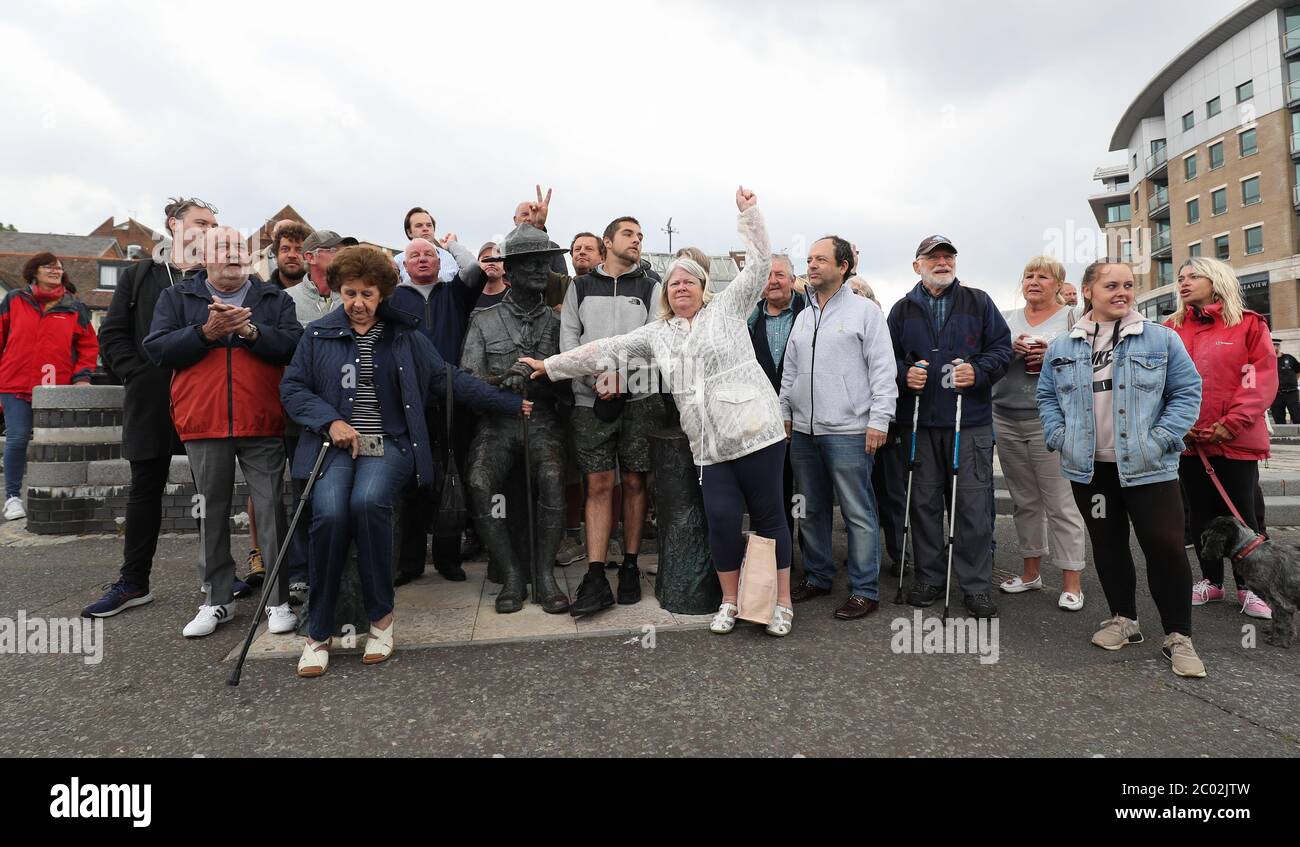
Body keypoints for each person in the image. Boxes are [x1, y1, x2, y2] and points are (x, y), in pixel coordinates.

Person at [523, 187, 796, 635]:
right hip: (707, 444)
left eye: (690, 279)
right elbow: (603, 349)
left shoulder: (727, 310)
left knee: (769, 520)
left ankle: (780, 603)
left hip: (755, 433)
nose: (682, 285)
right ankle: (730, 600)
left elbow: (762, 264)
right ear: (667, 293)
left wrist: (750, 215)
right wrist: (550, 367)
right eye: (674, 281)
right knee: (723, 521)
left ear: (704, 288)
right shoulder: (658, 334)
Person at [282, 246, 527, 677]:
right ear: (339, 291)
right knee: (330, 513)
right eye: (350, 293)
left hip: (389, 446)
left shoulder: (405, 338)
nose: (358, 303)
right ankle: (317, 633)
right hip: (334, 446)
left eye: (368, 294)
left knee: (368, 503)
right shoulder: (317, 334)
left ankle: (381, 621)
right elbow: (294, 390)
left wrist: (510, 403)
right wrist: (332, 421)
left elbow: (449, 380)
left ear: (383, 295)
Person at [1038, 260, 1206, 677]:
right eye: (1111, 285)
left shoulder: (1161, 340)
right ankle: (1124, 621)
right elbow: (1046, 397)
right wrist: (1060, 437)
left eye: (1129, 285)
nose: (1123, 292)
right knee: (1108, 544)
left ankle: (1178, 636)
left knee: (1164, 547)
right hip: (1091, 471)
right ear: (1088, 291)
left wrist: (1163, 438)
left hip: (1149, 468)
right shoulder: (1063, 346)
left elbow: (1187, 392)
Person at [143, 226, 303, 639]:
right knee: (210, 512)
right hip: (203, 419)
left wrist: (251, 333)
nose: (232, 254)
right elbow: (157, 349)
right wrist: (205, 334)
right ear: (204, 257)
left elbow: (293, 346)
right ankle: (216, 601)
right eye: (223, 247)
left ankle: (278, 600)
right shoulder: (176, 297)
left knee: (271, 511)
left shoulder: (274, 298)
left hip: (262, 418)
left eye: (238, 248)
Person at [84, 197, 220, 617]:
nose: (209, 230)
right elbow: (113, 335)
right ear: (173, 226)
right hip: (151, 398)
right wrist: (137, 373)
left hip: (202, 398)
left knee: (209, 492)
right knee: (145, 489)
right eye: (201, 222)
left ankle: (216, 576)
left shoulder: (216, 277)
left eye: (214, 225)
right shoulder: (141, 275)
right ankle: (133, 582)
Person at [888, 236, 1011, 618]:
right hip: (919, 422)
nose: (942, 262)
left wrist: (977, 371)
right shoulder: (901, 309)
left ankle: (975, 585)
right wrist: (904, 374)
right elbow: (883, 359)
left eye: (948, 257)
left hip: (968, 422)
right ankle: (929, 577)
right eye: (933, 257)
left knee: (972, 505)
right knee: (922, 504)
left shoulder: (979, 301)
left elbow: (1002, 350)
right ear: (917, 265)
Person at [781, 236, 898, 619]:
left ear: (843, 266)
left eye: (820, 259)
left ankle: (864, 590)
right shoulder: (803, 316)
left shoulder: (866, 313)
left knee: (857, 511)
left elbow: (883, 371)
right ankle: (817, 576)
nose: (811, 266)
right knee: (811, 509)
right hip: (804, 431)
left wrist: (879, 419)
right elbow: (791, 372)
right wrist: (786, 413)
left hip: (850, 430)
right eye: (809, 259)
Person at [558, 214, 665, 610]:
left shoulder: (653, 287)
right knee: (599, 482)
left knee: (636, 481)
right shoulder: (580, 286)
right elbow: (569, 340)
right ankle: (596, 572)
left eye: (641, 235)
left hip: (638, 400)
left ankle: (632, 566)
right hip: (591, 400)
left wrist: (622, 376)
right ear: (607, 241)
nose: (637, 240)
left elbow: (655, 340)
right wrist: (594, 379)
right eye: (628, 234)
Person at [1166, 257, 1277, 620]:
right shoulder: (1171, 329)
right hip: (1191, 443)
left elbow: (1259, 379)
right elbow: (1162, 382)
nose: (1183, 282)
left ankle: (1252, 587)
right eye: (1180, 277)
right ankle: (1211, 581)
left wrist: (1233, 422)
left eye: (1193, 276)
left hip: (1235, 439)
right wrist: (1178, 424)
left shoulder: (1248, 325)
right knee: (1199, 514)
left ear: (1215, 280)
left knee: (1242, 514)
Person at [390, 232, 487, 585]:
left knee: (451, 477)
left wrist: (450, 245)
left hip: (451, 400)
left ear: (438, 259)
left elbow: (475, 268)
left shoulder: (454, 293)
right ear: (404, 264)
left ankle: (448, 559)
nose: (421, 259)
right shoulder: (393, 298)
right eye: (413, 255)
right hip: (407, 401)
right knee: (412, 482)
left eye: (428, 254)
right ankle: (410, 562)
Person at [992, 256, 1088, 611]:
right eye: (1028, 275)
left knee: (1060, 503)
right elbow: (988, 359)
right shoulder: (1005, 318)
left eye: (1043, 276)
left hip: (1052, 420)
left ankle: (1072, 582)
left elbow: (1089, 363)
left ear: (1059, 284)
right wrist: (1007, 349)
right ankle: (1030, 572)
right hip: (1005, 416)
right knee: (1024, 501)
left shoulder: (1073, 319)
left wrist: (1053, 353)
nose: (1034, 281)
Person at [0, 253, 98, 520]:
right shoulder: (15, 300)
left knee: (53, 443)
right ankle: (12, 498)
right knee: (18, 438)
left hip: (55, 387)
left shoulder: (73, 306)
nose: (55, 270)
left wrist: (82, 377)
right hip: (14, 382)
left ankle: (51, 494)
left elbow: (88, 346)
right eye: (48, 266)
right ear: (34, 272)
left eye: (59, 267)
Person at [748, 253, 806, 543]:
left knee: (808, 496)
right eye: (767, 276)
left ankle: (813, 569)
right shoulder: (747, 321)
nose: (772, 281)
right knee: (773, 494)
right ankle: (777, 562)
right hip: (763, 424)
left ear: (793, 281)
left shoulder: (811, 316)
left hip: (807, 419)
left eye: (779, 275)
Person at [393, 207, 458, 285]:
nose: (425, 228)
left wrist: (453, 245)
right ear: (409, 232)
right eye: (419, 225)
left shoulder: (451, 258)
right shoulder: (397, 261)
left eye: (429, 225)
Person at [1271, 339, 1300, 424]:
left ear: (1278, 347)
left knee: (1297, 416)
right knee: (1278, 417)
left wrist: (1292, 381)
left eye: (1275, 345)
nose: (1274, 347)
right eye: (1272, 345)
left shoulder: (1289, 358)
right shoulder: (1268, 360)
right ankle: (1283, 437)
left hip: (1291, 392)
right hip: (1276, 394)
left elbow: (1298, 370)